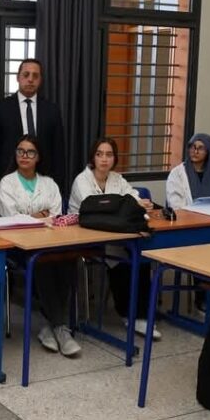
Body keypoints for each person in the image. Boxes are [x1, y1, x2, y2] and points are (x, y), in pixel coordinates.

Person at [0, 135, 81, 356]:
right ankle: (60, 327)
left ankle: (48, 325)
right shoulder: (7, 183)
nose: (24, 156)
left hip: (48, 240)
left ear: (38, 157)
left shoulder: (49, 183)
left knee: (68, 258)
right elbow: (11, 218)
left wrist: (32, 217)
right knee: (42, 261)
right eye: (20, 151)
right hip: (17, 246)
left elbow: (56, 216)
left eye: (30, 152)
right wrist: (39, 216)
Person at [69, 137, 159, 339]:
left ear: (115, 158)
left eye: (109, 155)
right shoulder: (82, 180)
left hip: (116, 235)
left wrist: (137, 204)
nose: (104, 159)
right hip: (86, 239)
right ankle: (127, 313)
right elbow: (95, 207)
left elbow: (132, 198)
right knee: (120, 259)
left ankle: (142, 315)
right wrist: (125, 205)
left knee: (141, 258)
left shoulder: (118, 179)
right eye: (99, 154)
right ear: (93, 157)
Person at [0, 58, 65, 204]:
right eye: (26, 75)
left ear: (40, 80)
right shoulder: (0, 109)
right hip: (8, 180)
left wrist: (59, 184)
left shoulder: (52, 110)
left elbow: (58, 151)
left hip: (44, 180)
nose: (30, 79)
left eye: (35, 76)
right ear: (18, 77)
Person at [165, 132, 210, 209]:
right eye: (193, 147)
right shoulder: (177, 174)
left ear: (208, 152)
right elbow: (175, 204)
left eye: (201, 148)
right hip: (186, 216)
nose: (195, 151)